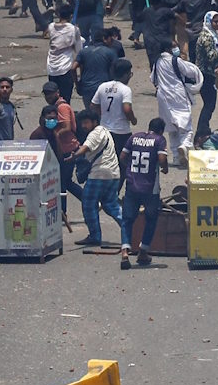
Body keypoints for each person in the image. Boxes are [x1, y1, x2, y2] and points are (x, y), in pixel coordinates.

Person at [118, 117, 167, 270]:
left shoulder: (134, 137)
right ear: (161, 130)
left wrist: (131, 171)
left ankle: (125, 252)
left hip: (132, 185)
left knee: (127, 220)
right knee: (151, 218)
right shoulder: (159, 140)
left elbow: (122, 157)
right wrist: (164, 167)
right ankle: (143, 251)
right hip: (150, 188)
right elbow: (161, 158)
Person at [71, 109, 123, 247]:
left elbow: (86, 148)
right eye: (82, 123)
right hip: (113, 174)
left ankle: (94, 236)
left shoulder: (95, 133)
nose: (83, 126)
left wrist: (74, 156)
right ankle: (131, 230)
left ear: (94, 122)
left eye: (86, 122)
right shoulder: (105, 132)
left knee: (88, 204)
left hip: (99, 175)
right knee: (111, 205)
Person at [151, 43, 203, 167]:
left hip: (163, 95)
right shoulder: (176, 60)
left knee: (171, 127)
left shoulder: (157, 61)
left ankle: (175, 157)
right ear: (168, 48)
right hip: (177, 94)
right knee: (186, 124)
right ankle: (184, 145)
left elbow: (152, 79)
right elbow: (190, 72)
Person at [91, 58, 136, 161]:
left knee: (106, 159)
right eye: (129, 74)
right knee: (122, 161)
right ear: (125, 74)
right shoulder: (125, 89)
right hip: (121, 131)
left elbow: (93, 105)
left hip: (104, 130)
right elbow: (127, 109)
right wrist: (133, 120)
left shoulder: (103, 86)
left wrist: (103, 114)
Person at [194, 11, 218, 144]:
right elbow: (211, 56)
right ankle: (201, 132)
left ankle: (203, 129)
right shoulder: (206, 37)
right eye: (215, 21)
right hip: (205, 74)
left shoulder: (212, 34)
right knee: (209, 104)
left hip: (211, 73)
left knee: (210, 104)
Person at [74, 29, 119, 110]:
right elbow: (115, 71)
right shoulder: (110, 53)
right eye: (110, 39)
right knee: (104, 116)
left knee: (90, 115)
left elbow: (73, 68)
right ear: (104, 38)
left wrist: (77, 84)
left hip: (87, 88)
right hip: (104, 88)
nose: (112, 42)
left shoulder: (83, 51)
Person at [47, 4, 83, 102]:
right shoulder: (74, 29)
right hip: (65, 68)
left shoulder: (51, 27)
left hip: (52, 69)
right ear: (71, 16)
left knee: (53, 99)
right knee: (65, 99)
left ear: (58, 15)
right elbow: (79, 50)